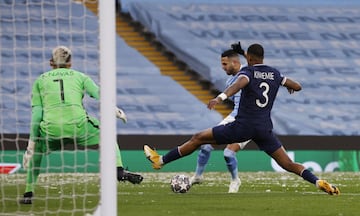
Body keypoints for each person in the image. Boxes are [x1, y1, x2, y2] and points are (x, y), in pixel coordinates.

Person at [144, 43, 340, 195]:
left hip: (243, 127)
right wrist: (289, 86)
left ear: (249, 57)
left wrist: (220, 97)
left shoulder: (248, 72)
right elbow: (297, 86)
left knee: (198, 138)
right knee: (287, 164)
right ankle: (318, 182)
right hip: (264, 129)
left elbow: (240, 83)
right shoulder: (274, 73)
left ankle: (160, 160)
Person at [20, 46, 143, 204]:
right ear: (70, 63)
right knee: (107, 134)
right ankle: (118, 170)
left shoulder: (40, 80)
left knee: (37, 151)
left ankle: (28, 193)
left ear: (51, 63)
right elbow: (100, 94)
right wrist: (114, 109)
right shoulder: (80, 76)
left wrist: (31, 145)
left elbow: (37, 115)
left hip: (52, 130)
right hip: (78, 126)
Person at [190, 47, 250, 193]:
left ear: (235, 62)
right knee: (206, 145)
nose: (222, 67)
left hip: (249, 121)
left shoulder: (249, 72)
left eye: (224, 64)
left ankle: (235, 180)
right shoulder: (230, 80)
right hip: (233, 118)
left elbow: (257, 65)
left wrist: (243, 53)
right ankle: (198, 176)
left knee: (228, 153)